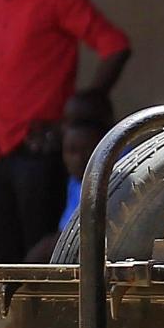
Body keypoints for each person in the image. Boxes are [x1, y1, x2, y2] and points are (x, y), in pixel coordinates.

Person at [0, 0, 131, 262]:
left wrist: (75, 120)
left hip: (40, 153)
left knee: (43, 267)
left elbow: (115, 46)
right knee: (3, 269)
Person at [31, 90, 116, 262]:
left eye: (86, 150)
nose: (79, 159)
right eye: (71, 151)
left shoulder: (119, 175)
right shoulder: (76, 181)